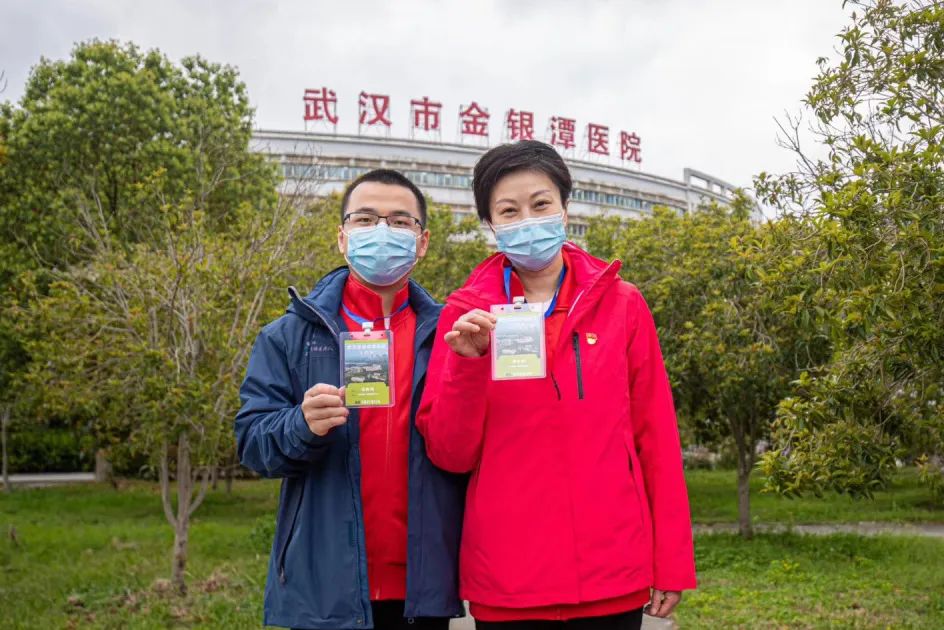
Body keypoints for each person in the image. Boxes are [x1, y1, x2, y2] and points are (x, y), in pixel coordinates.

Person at [415, 141, 696, 630]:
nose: (527, 220)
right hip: (508, 577)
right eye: (509, 211)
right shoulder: (464, 315)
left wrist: (671, 560)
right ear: (491, 224)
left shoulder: (622, 304)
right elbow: (449, 454)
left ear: (565, 208)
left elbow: (656, 437)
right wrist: (467, 365)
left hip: (612, 571)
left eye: (540, 204)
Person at [235, 169, 466, 630]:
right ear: (342, 237)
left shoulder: (450, 336)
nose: (381, 231)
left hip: (422, 589)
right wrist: (300, 425)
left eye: (399, 222)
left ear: (422, 242)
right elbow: (252, 445)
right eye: (365, 219)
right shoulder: (290, 336)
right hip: (325, 589)